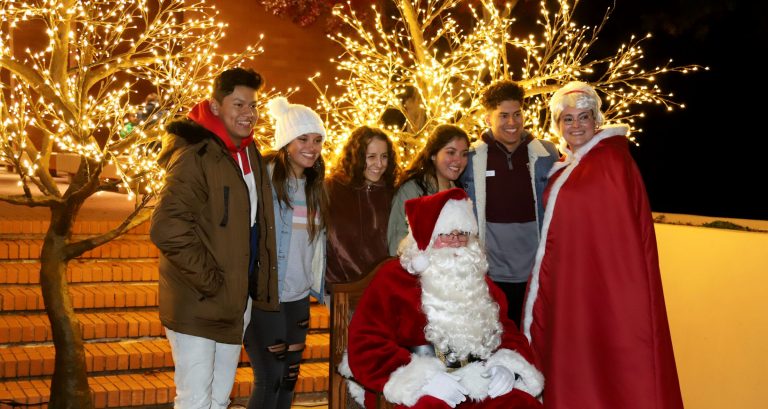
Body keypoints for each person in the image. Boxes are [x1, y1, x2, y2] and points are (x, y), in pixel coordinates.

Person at [522, 81, 683, 408]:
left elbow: (618, 240)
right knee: (575, 360)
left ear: (596, 120)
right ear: (558, 125)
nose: (576, 125)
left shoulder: (610, 162)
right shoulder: (569, 165)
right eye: (568, 119)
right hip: (570, 284)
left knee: (608, 365)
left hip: (603, 289)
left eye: (584, 117)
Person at [347, 188, 544, 409]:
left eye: (462, 234)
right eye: (446, 234)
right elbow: (366, 343)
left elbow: (508, 332)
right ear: (426, 240)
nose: (456, 242)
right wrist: (422, 379)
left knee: (520, 404)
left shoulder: (478, 281)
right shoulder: (392, 279)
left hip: (478, 382)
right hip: (422, 390)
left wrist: (506, 364)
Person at [150, 67, 275, 409]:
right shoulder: (196, 155)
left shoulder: (248, 151)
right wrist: (212, 282)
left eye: (253, 105)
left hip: (234, 301)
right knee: (195, 400)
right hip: (198, 301)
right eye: (239, 104)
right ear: (216, 106)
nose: (248, 113)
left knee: (219, 399)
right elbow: (166, 227)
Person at [243, 96, 328, 409]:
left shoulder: (316, 186)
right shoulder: (263, 179)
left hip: (298, 298)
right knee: (271, 378)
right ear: (286, 142)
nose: (311, 147)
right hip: (267, 296)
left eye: (317, 140)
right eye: (303, 139)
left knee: (289, 379)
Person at [459, 80, 559, 329]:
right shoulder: (471, 157)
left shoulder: (546, 154)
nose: (512, 122)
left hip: (536, 275)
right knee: (496, 339)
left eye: (517, 114)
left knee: (533, 338)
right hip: (489, 276)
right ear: (488, 118)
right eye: (503, 115)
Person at [326, 125, 400, 286]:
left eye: (384, 156)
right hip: (340, 289)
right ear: (356, 156)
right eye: (371, 156)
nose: (379, 164)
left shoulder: (393, 194)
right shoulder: (331, 189)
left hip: (383, 288)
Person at [387, 124, 469, 255]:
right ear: (433, 155)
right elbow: (397, 244)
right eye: (451, 152)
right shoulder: (412, 190)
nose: (459, 160)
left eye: (464, 154)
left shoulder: (460, 194)